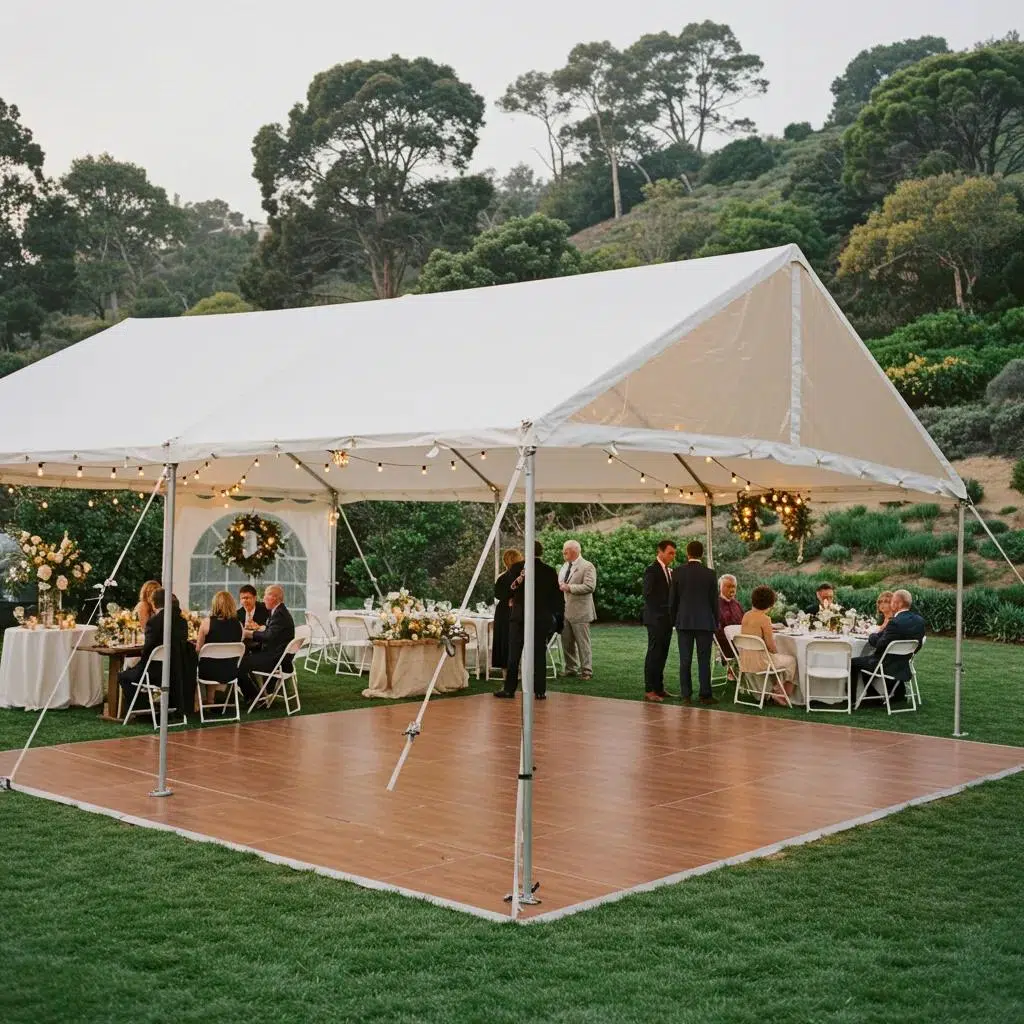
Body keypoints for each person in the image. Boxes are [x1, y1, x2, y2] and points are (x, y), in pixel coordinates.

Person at [496, 541, 564, 701]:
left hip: (519, 616)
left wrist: (512, 598)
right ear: (541, 552)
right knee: (539, 654)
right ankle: (540, 690)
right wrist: (558, 619)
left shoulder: (516, 568)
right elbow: (557, 598)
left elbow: (505, 591)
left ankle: (509, 689)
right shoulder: (549, 571)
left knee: (514, 654)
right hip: (541, 617)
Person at [118, 588, 197, 721]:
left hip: (157, 672)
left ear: (153, 603)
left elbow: (148, 651)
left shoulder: (154, 622)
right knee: (134, 672)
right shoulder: (181, 621)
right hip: (177, 670)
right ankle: (154, 709)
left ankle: (142, 712)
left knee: (124, 676)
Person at [850, 589, 925, 706]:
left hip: (886, 663)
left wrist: (872, 636)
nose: (891, 604)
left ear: (898, 604)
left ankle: (853, 699)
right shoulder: (919, 620)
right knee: (866, 660)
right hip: (905, 662)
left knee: (853, 663)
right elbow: (918, 645)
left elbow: (880, 645)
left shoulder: (895, 622)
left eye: (893, 602)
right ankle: (878, 695)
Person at [668, 540, 719, 705]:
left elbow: (673, 601)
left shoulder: (677, 572)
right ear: (702, 554)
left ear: (687, 553)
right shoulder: (710, 574)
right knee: (704, 659)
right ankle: (705, 695)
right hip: (705, 622)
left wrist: (674, 620)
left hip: (684, 622)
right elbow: (714, 602)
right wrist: (715, 622)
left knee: (685, 659)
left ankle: (686, 695)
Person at [739, 586, 796, 706]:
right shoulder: (765, 619)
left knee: (780, 660)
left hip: (745, 660)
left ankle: (774, 690)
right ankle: (782, 693)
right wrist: (777, 653)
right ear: (770, 603)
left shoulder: (746, 615)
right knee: (791, 660)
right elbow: (771, 646)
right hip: (761, 662)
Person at [238, 584, 296, 704]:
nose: (263, 598)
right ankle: (260, 693)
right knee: (245, 660)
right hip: (279, 656)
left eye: (265, 595)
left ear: (274, 598)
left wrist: (248, 634)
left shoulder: (279, 614)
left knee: (239, 663)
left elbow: (268, 637)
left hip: (275, 659)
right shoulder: (279, 611)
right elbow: (272, 632)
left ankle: (255, 696)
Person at [642, 539, 676, 702]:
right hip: (656, 620)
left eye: (674, 553)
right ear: (660, 551)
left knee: (663, 654)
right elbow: (648, 595)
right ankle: (649, 690)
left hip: (667, 621)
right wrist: (663, 610)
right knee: (654, 653)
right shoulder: (652, 570)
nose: (673, 556)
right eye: (670, 553)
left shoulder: (668, 571)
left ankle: (659, 688)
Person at [558, 540, 597, 680]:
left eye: (566, 551)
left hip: (581, 611)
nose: (563, 553)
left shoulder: (587, 566)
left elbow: (590, 586)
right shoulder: (564, 566)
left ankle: (586, 671)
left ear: (574, 551)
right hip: (565, 609)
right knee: (566, 641)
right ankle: (571, 668)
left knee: (582, 642)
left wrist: (570, 588)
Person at [195, 590, 245, 697]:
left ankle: (199, 700)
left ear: (215, 604)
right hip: (230, 670)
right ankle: (215, 698)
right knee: (216, 661)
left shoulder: (207, 623)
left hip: (208, 672)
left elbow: (198, 649)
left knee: (197, 661)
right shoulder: (239, 625)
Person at [491, 549, 523, 675]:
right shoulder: (522, 577)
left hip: (503, 611)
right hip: (515, 610)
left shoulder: (502, 577)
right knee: (515, 639)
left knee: (504, 640)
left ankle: (506, 672)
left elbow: (498, 595)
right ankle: (518, 670)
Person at [716, 574, 744, 661]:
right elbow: (717, 633)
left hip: (743, 643)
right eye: (728, 586)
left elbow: (744, 623)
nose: (732, 590)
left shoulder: (737, 604)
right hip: (728, 646)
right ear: (721, 587)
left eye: (734, 587)